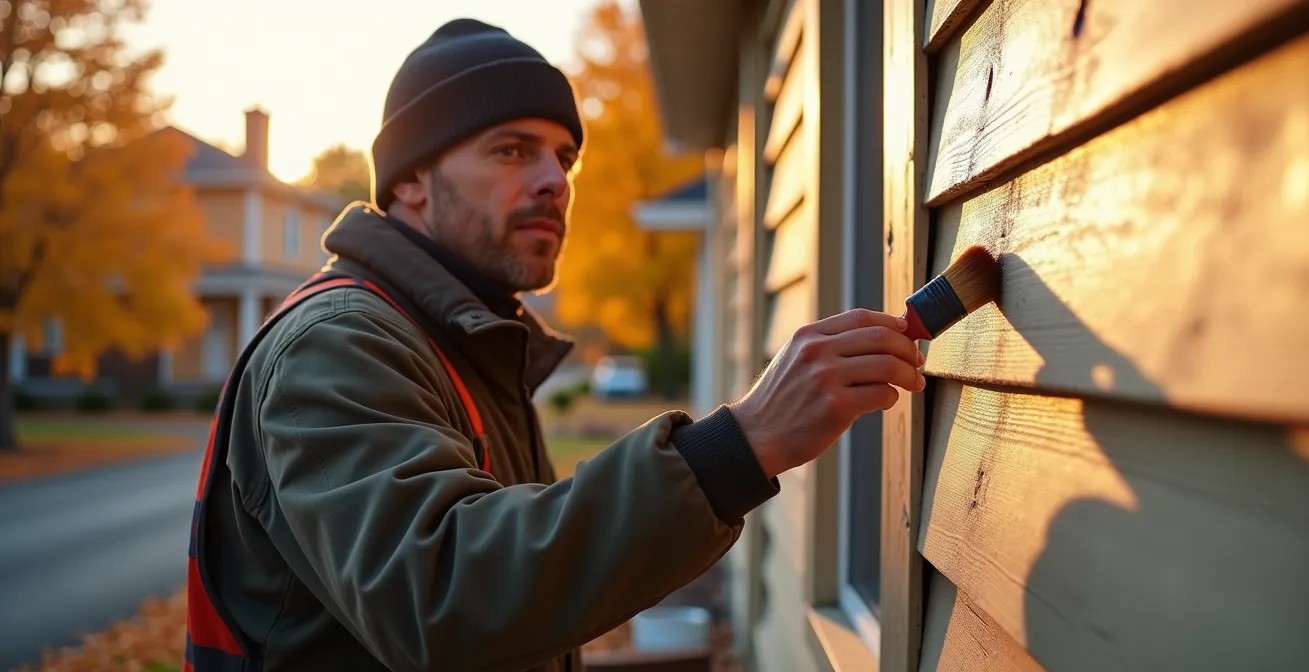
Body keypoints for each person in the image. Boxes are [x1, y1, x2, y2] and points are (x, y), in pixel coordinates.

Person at [182, 17, 926, 672]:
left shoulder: (469, 350)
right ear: (409, 179)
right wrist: (743, 444)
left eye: (563, 157)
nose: (554, 181)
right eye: (512, 151)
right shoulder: (339, 342)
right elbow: (440, 598)